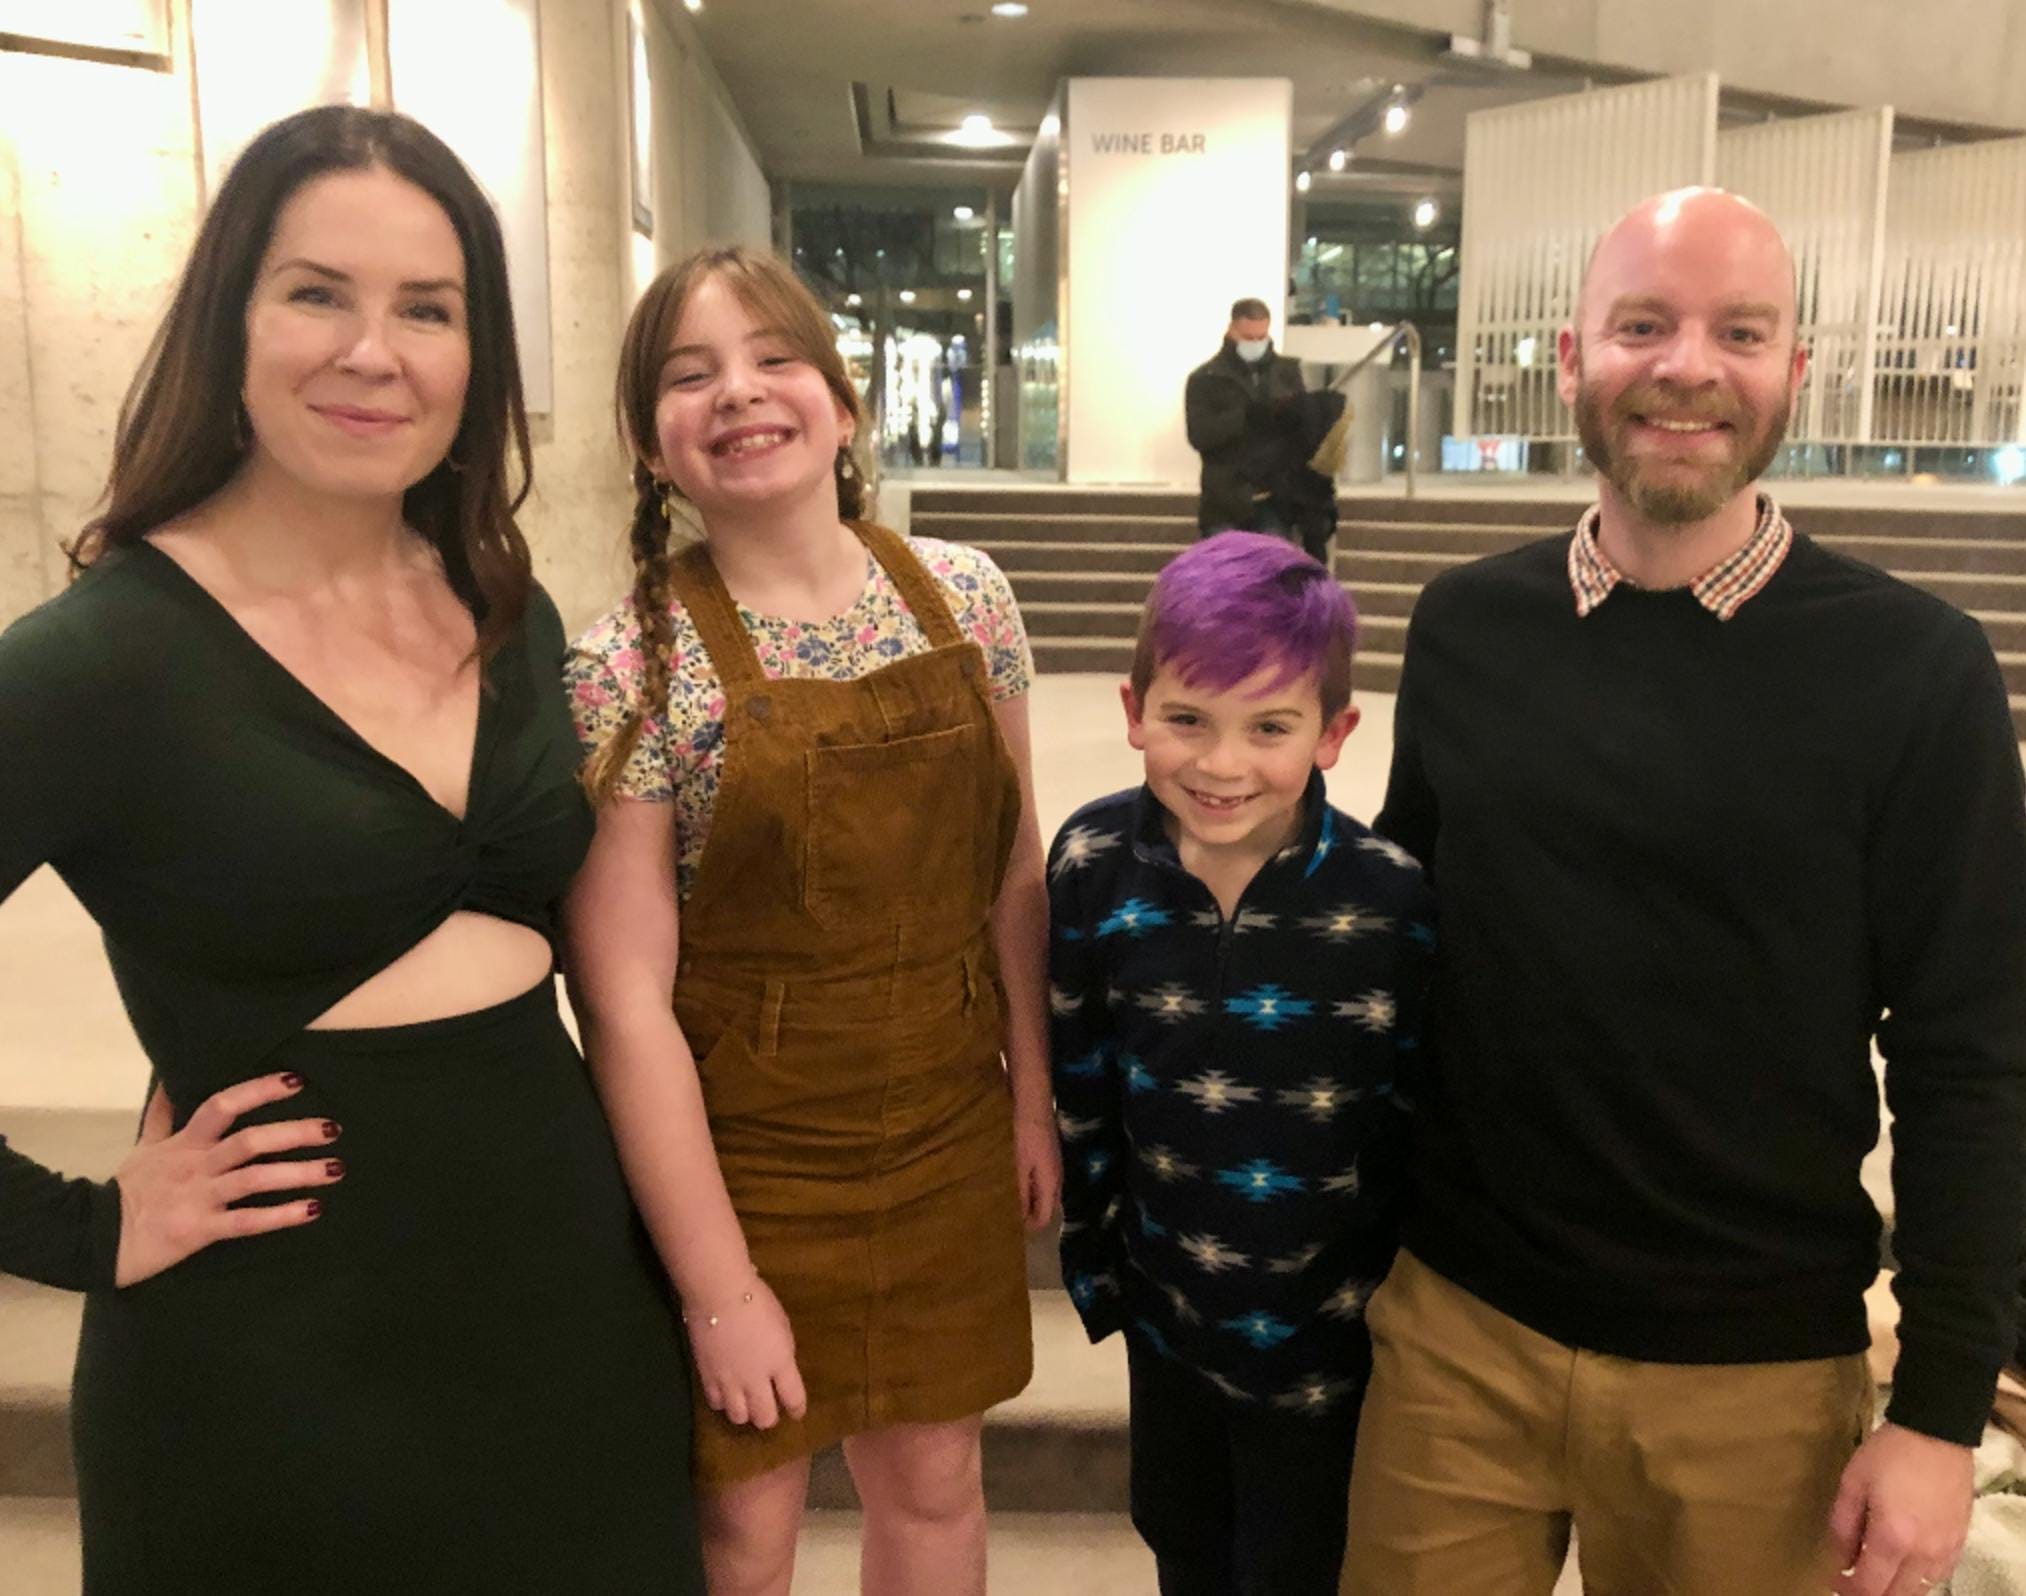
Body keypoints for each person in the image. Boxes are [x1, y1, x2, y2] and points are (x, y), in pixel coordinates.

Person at [0, 107, 703, 1592]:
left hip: (568, 1322)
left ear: (477, 357)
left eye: (427, 309)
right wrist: (74, 1225)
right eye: (317, 291)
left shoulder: (504, 609)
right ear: (229, 323)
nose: (372, 351)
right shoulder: (99, 661)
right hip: (276, 1362)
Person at [1343, 187, 2026, 1596]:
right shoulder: (1468, 630)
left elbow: (1972, 1061)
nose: (1684, 366)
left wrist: (1941, 1414)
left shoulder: (1913, 673)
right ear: (1568, 357)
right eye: (1640, 325)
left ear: (1795, 369)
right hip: (1457, 1340)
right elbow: (1403, 965)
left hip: (1755, 1378)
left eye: (1738, 330)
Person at [563, 243, 1060, 1596]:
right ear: (647, 441)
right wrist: (718, 1285)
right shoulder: (626, 665)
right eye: (689, 374)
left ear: (841, 404)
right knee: (745, 1523)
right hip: (746, 1157)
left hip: (949, 1115)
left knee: (936, 1483)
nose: (738, 392)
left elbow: (1012, 869)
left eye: (773, 357)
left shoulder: (966, 599)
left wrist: (1030, 1100)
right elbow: (621, 999)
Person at [1048, 532, 1434, 1596]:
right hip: (1168, 1317)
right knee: (1184, 1543)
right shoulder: (1091, 863)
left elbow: (1413, 1109)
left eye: (1269, 728)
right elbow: (1079, 1072)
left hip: (1332, 1340)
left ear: (1334, 732)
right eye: (1186, 720)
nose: (1221, 766)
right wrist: (1096, 1263)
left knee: (1300, 1564)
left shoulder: (1390, 897)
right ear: (1133, 710)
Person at [1185, 298, 1307, 538]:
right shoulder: (1206, 378)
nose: (1256, 344)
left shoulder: (1286, 373)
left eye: (1261, 337)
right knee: (1225, 570)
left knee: (1273, 567)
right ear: (1232, 331)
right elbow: (1199, 435)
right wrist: (1244, 416)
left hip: (1274, 497)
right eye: (1249, 338)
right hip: (1224, 499)